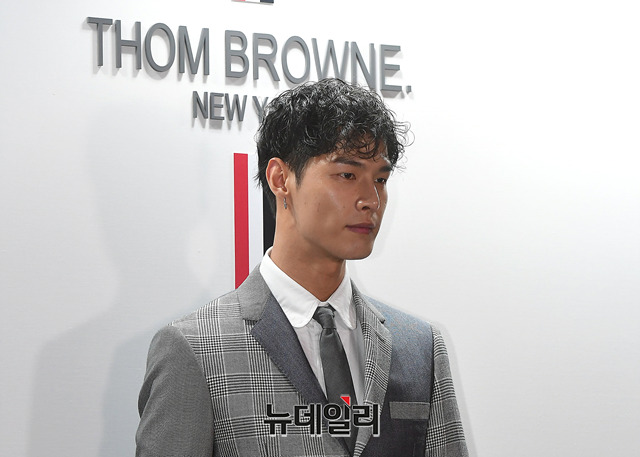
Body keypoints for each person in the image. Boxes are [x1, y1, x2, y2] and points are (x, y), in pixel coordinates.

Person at [136, 78, 468, 457]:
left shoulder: (420, 346)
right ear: (281, 179)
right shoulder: (195, 348)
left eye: (380, 179)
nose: (371, 200)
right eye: (347, 175)